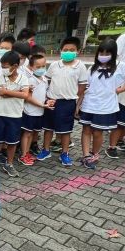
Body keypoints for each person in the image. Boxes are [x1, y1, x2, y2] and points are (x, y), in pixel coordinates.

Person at [76, 40, 125, 169]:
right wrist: (78, 104)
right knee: (86, 130)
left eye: (107, 53)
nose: (103, 55)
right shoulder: (93, 68)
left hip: (106, 107)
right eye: (101, 52)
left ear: (113, 53)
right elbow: (85, 88)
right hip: (89, 104)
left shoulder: (121, 66)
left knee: (98, 132)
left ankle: (95, 153)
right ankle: (85, 155)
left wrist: (120, 90)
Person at [38, 37, 89, 166]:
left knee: (65, 130)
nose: (68, 52)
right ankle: (46, 149)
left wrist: (74, 97)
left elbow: (82, 86)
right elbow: (47, 80)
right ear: (60, 51)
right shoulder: (55, 65)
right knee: (48, 128)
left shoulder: (80, 66)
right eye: (65, 50)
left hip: (67, 103)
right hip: (52, 101)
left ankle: (64, 153)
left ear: (77, 51)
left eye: (72, 50)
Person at [0, 50, 29, 178]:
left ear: (15, 66)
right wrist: (18, 92)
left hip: (15, 116)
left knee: (12, 142)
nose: (3, 69)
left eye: (5, 66)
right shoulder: (0, 75)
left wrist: (8, 92)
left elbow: (25, 95)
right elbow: (0, 93)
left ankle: (9, 164)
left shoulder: (23, 77)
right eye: (2, 66)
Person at [19, 53, 51, 166]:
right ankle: (23, 155)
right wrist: (41, 105)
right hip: (30, 111)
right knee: (27, 133)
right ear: (31, 67)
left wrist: (47, 102)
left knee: (33, 133)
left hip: (39, 112)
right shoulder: (29, 80)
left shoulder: (44, 79)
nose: (42, 69)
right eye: (38, 67)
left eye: (44, 66)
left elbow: (44, 94)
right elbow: (27, 97)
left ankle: (27, 152)